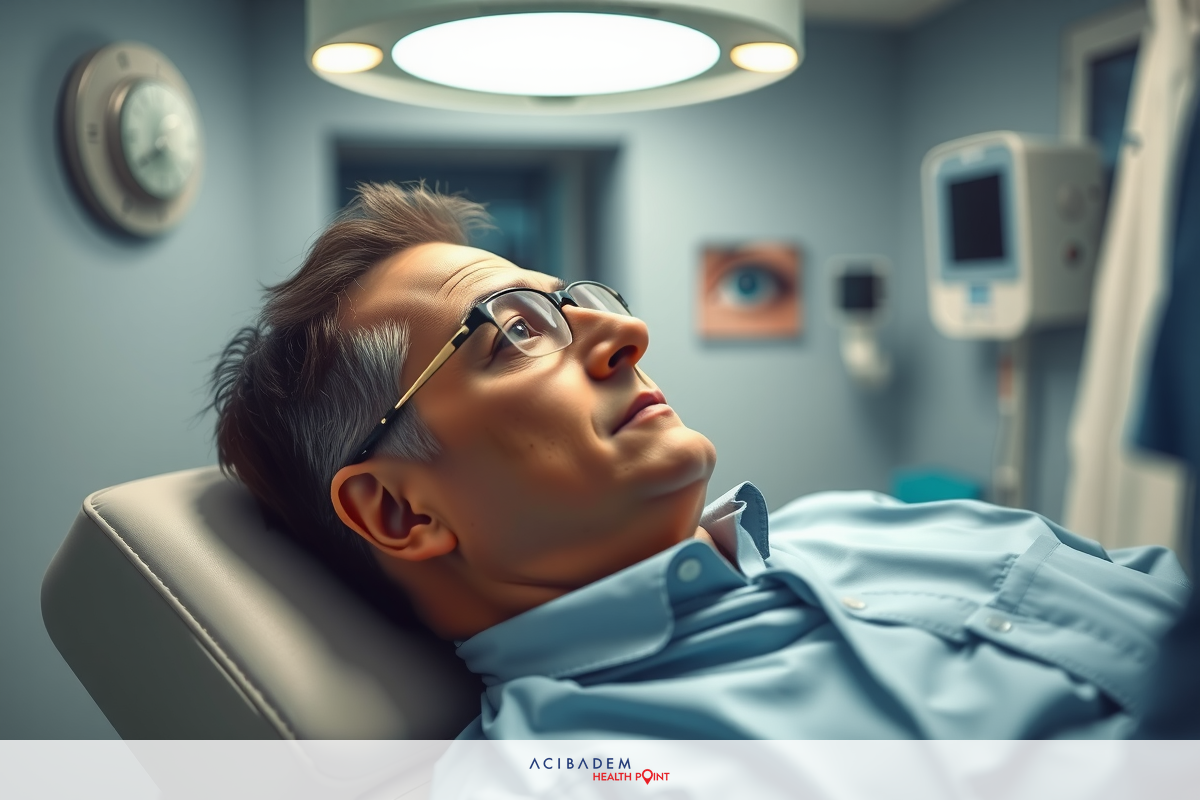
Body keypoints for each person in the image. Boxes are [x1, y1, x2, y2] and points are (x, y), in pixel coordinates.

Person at [211, 182, 1189, 739]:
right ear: (399, 511)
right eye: (511, 331)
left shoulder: (858, 519)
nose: (630, 331)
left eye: (581, 297)